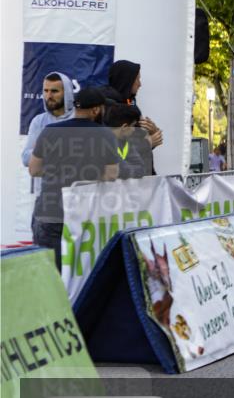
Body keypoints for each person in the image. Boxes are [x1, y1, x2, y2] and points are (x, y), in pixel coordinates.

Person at [28, 86, 119, 267]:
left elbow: (34, 169)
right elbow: (111, 174)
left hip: (49, 211)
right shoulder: (105, 135)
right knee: (80, 274)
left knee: (48, 273)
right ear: (95, 110)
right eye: (102, 108)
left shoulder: (50, 131)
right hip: (85, 213)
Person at [21, 72, 77, 171]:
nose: (49, 96)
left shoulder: (78, 119)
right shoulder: (38, 121)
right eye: (46, 91)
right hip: (43, 185)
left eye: (54, 91)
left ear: (67, 92)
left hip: (71, 184)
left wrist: (40, 150)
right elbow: (26, 158)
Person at [103, 102, 147, 179]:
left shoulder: (126, 142)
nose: (134, 130)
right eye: (133, 126)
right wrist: (125, 170)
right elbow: (120, 170)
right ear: (124, 127)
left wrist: (124, 170)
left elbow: (141, 169)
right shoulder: (103, 142)